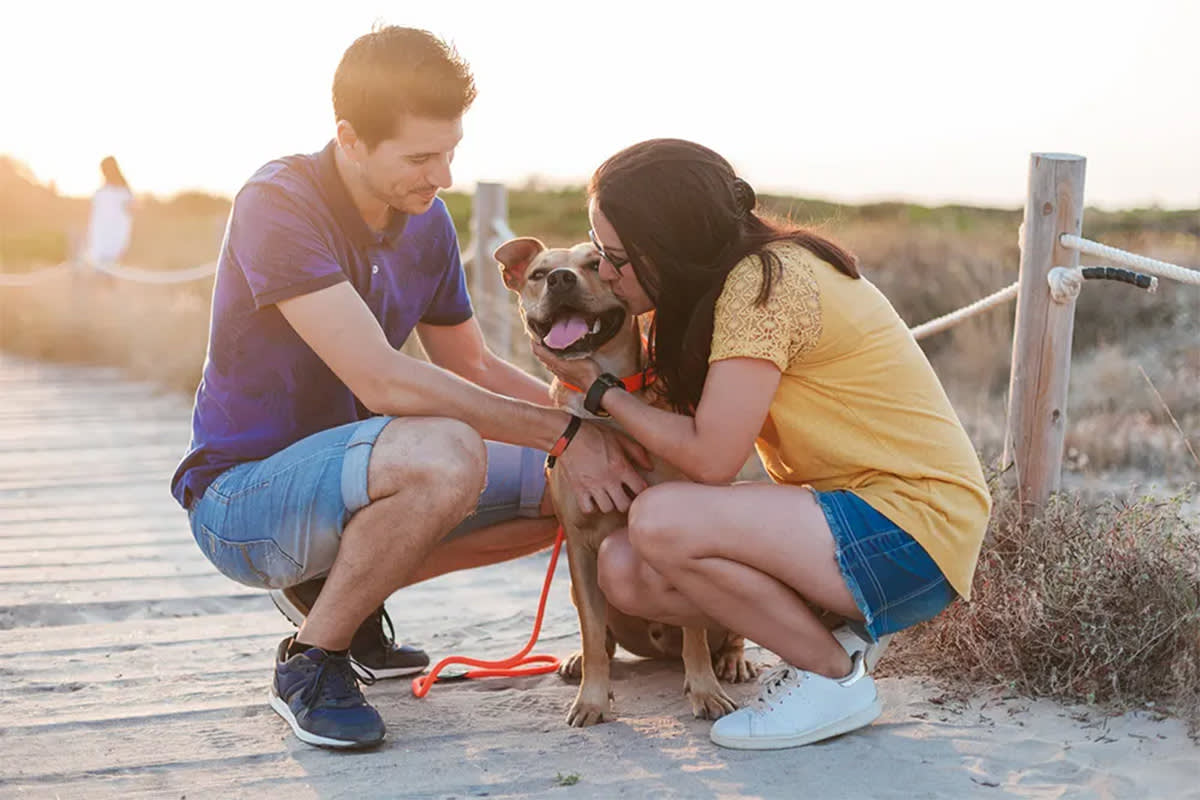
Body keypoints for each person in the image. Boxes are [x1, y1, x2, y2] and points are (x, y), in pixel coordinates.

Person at [169, 26, 648, 750]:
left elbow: (477, 368)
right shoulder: (278, 202)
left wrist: (605, 433)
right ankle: (310, 662)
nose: (443, 176)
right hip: (244, 499)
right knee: (449, 452)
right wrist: (567, 435)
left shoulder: (421, 223)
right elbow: (380, 376)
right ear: (350, 139)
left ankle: (345, 600)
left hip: (357, 475)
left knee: (572, 486)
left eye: (451, 151)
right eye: (422, 157)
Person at [532, 139, 992, 751]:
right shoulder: (722, 289)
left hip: (911, 527)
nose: (607, 274)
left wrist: (601, 392)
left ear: (667, 242)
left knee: (661, 517)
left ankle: (832, 679)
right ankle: (841, 640)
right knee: (623, 568)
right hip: (860, 523)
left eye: (615, 258)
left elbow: (712, 460)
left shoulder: (764, 284)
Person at [83, 155, 133, 270]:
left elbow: (128, 213)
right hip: (100, 234)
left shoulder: (122, 191)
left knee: (111, 267)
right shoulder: (102, 191)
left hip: (115, 235)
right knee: (100, 267)